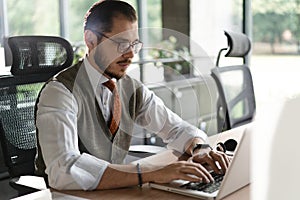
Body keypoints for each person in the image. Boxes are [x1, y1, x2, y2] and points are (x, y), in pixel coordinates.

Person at [35, 0, 229, 190]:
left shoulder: (130, 88)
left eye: (134, 44)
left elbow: (175, 128)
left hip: (115, 192)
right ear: (91, 40)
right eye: (120, 43)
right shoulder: (59, 92)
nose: (130, 54)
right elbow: (64, 169)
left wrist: (199, 148)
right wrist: (151, 173)